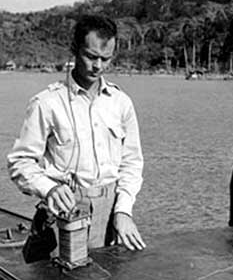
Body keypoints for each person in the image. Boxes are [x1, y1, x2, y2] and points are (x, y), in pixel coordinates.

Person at [7, 14, 146, 251]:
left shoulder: (121, 103)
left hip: (111, 214)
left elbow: (132, 164)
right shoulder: (47, 103)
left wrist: (124, 211)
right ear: (74, 49)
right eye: (91, 56)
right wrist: (49, 188)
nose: (98, 66)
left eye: (106, 59)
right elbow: (20, 162)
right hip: (63, 215)